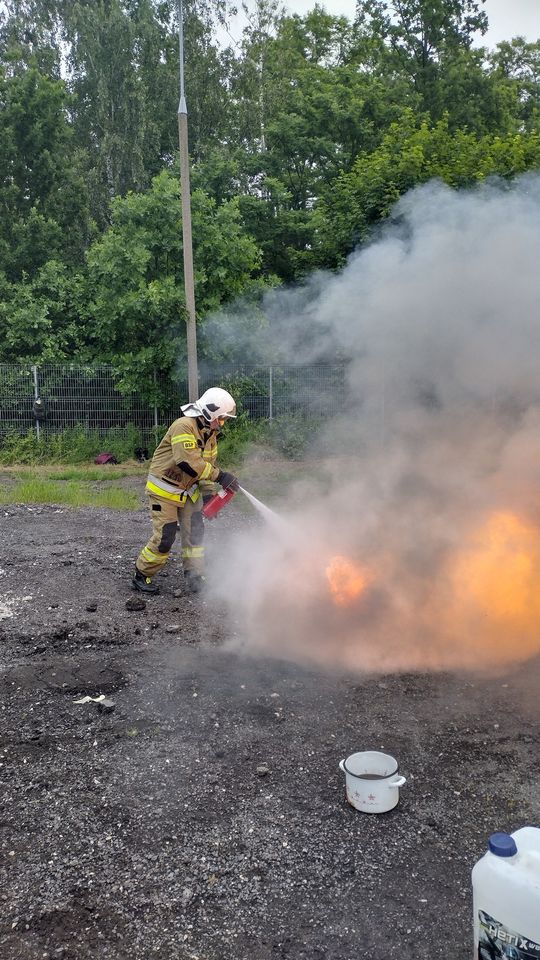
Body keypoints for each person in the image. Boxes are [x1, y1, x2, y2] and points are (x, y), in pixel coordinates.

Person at [132, 387, 239, 595]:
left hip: (188, 491)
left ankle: (195, 576)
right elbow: (187, 462)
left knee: (196, 534)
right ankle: (141, 574)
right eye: (222, 418)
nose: (222, 424)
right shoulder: (184, 426)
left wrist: (208, 495)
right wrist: (221, 476)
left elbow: (207, 465)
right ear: (210, 412)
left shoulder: (210, 434)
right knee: (166, 536)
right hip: (164, 489)